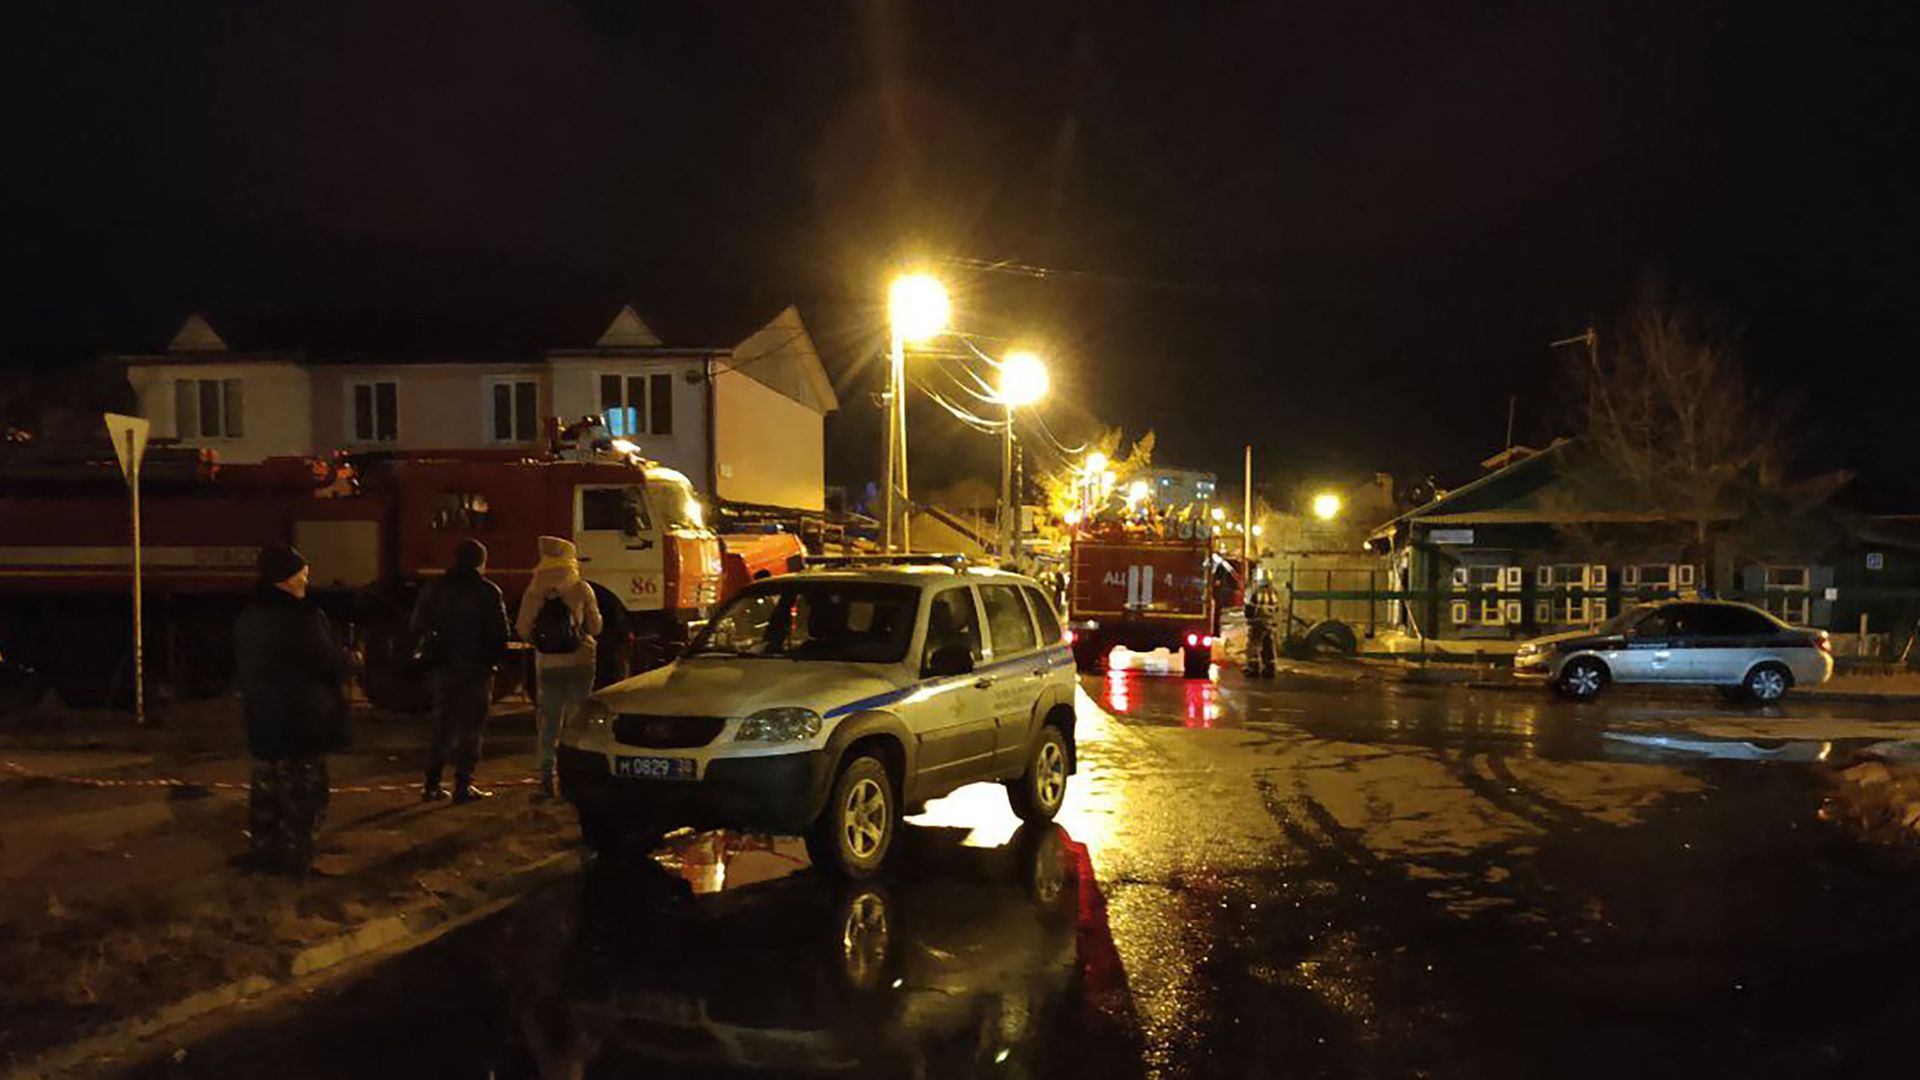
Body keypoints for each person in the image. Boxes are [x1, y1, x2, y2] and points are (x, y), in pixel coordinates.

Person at [234, 545, 348, 879]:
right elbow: (325, 663)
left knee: (266, 795)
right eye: (301, 573)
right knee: (305, 797)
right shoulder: (302, 618)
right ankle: (297, 862)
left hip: (263, 718)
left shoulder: (249, 617)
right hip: (301, 721)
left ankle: (264, 853)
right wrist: (349, 660)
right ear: (286, 578)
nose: (306, 579)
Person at [413, 538, 512, 803]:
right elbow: (499, 632)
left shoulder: (436, 588)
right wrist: (496, 661)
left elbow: (418, 624)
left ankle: (431, 784)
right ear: (481, 562)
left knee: (442, 725)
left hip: (444, 666)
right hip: (477, 668)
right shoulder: (488, 591)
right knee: (472, 727)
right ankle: (463, 784)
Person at [516, 536, 603, 802]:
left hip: (548, 665)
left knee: (549, 722)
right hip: (581, 662)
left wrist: (541, 640)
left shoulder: (534, 591)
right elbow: (596, 626)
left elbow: (522, 629)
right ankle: (577, 779)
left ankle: (546, 780)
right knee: (577, 721)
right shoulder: (581, 588)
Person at [1244, 573, 1282, 679]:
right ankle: (1269, 668)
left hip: (1257, 622)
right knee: (1268, 646)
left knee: (1253, 645)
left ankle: (1253, 668)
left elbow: (1250, 609)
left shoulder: (1255, 592)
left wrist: (1249, 619)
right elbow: (1277, 609)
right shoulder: (1273, 592)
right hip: (1270, 623)